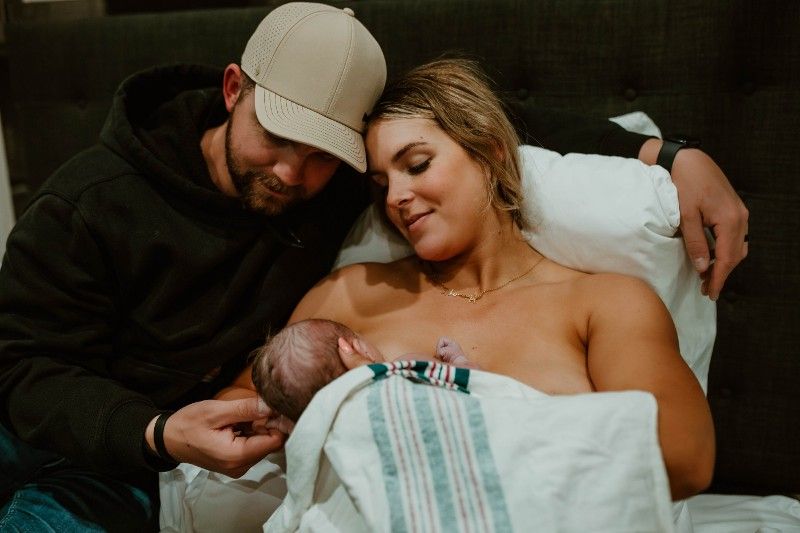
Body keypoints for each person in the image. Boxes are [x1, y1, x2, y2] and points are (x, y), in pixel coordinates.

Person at [0, 2, 744, 530]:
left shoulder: (599, 300)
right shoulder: (92, 205)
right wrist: (167, 430)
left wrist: (670, 155)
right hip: (78, 424)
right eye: (382, 182)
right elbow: (29, 369)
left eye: (327, 155)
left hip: (133, 478)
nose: (294, 174)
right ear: (234, 90)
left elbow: (483, 120)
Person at [227, 58, 717, 502]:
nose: (396, 195)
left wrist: (456, 441)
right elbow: (239, 407)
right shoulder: (348, 294)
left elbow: (683, 457)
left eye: (416, 165)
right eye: (380, 185)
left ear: (491, 152)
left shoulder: (603, 303)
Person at [243, 318, 475, 427]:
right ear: (358, 349)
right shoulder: (405, 369)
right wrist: (458, 359)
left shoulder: (322, 430)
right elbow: (477, 388)